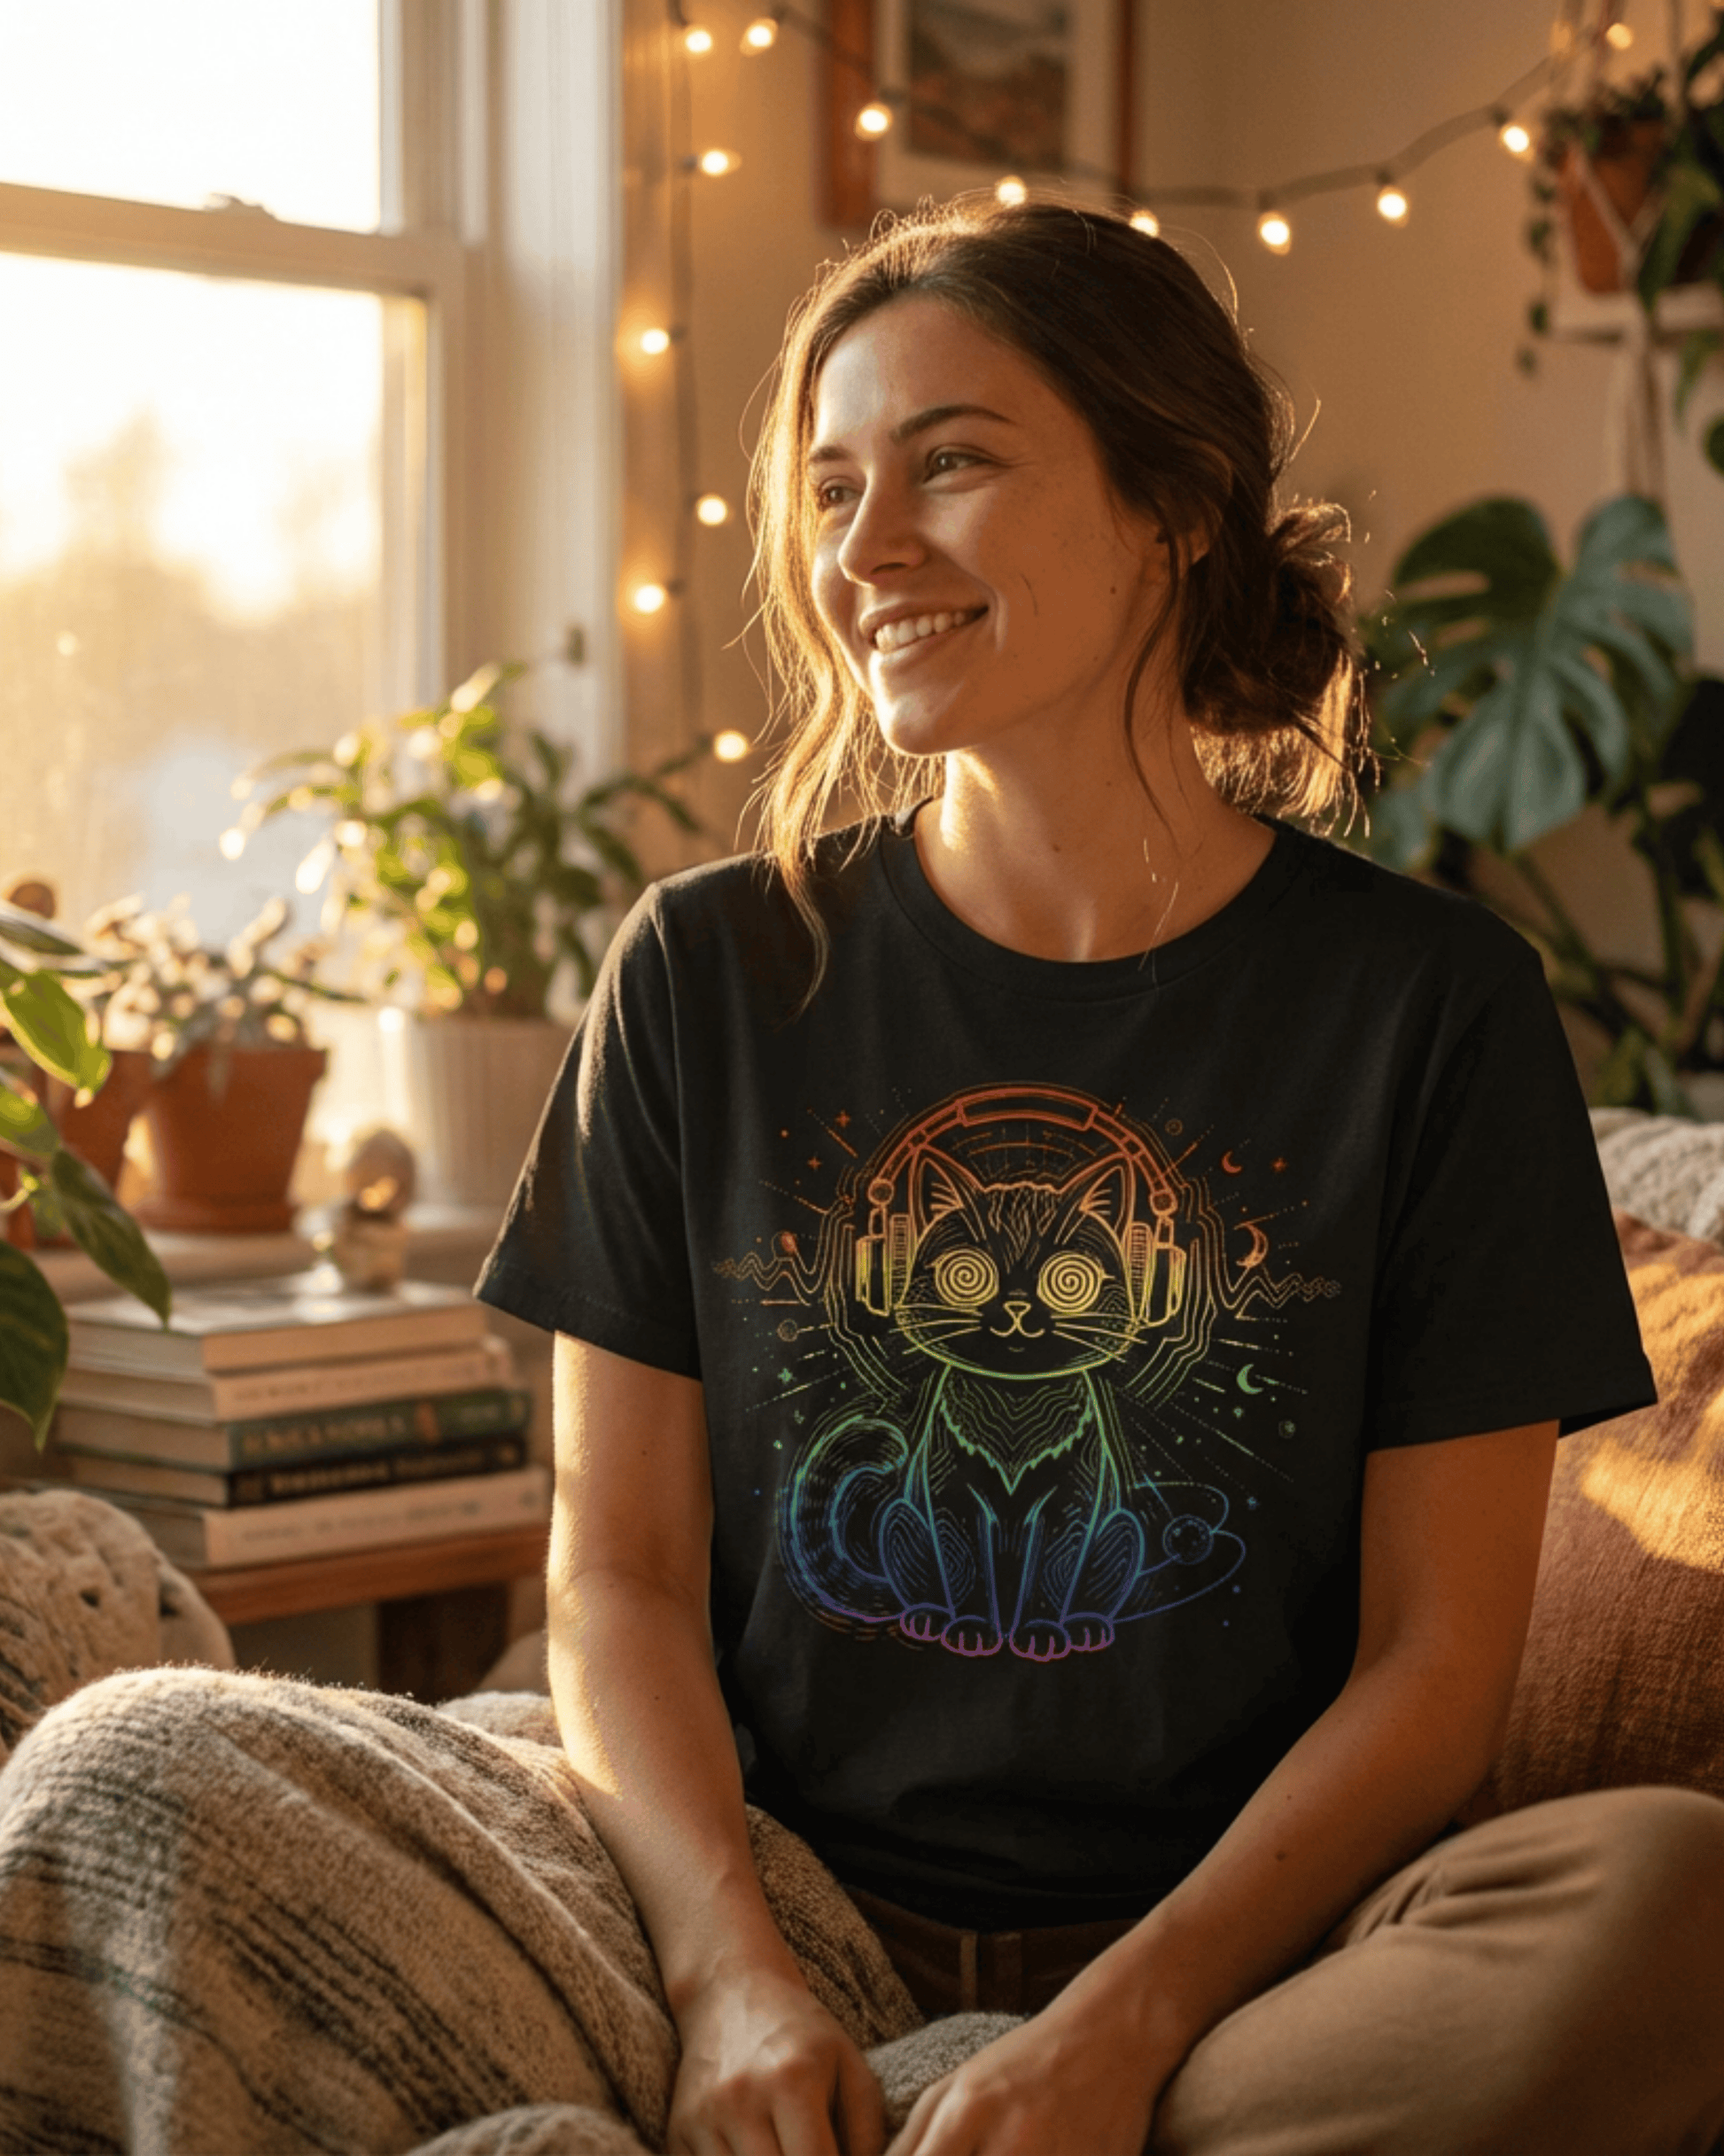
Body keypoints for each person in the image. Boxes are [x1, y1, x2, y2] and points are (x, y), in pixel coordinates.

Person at [477, 195, 1724, 2156]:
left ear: (1176, 506)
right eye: (832, 488)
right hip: (768, 1909)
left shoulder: (1429, 1005)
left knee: (1675, 1899)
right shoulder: (704, 970)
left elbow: (1436, 1669)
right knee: (160, 1770)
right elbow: (613, 1574)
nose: (864, 552)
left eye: (952, 462)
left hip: (1249, 1973)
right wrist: (728, 1978)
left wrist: (1117, 2031)